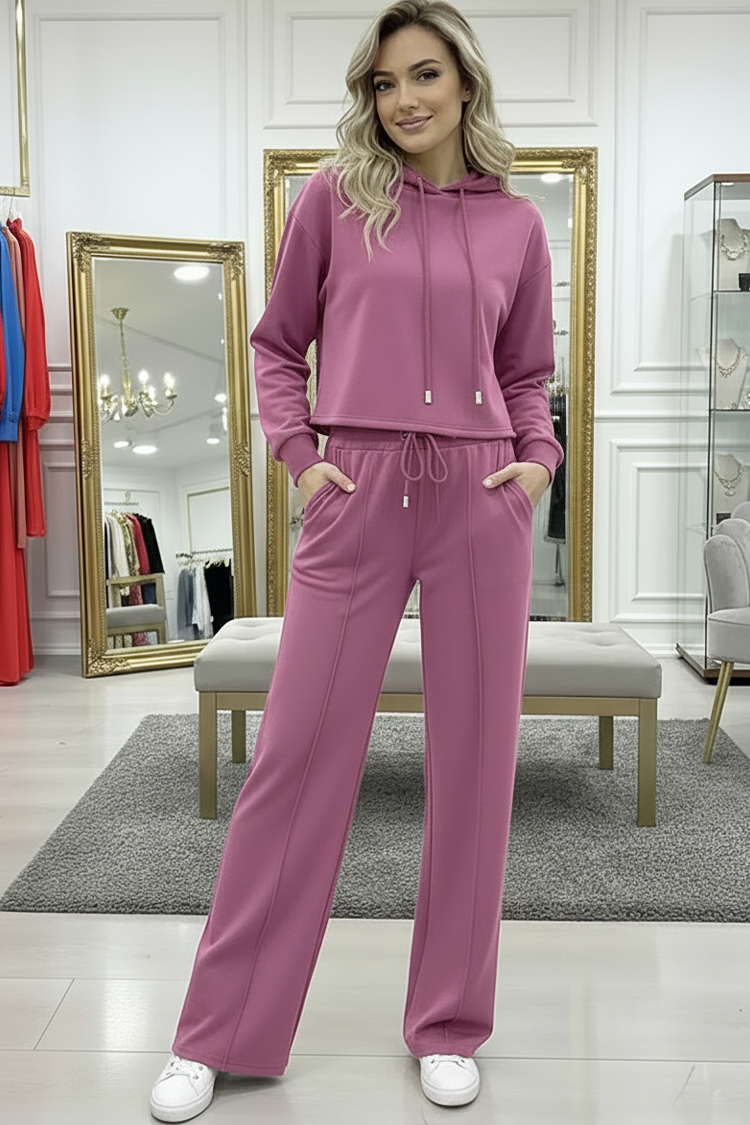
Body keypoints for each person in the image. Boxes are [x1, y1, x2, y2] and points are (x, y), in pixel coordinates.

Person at [149, 0, 564, 1118]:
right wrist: (302, 459)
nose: (405, 99)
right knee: (296, 759)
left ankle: (449, 1022)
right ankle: (218, 1030)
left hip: (480, 493)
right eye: (385, 83)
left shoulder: (517, 225)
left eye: (424, 75)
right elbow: (278, 345)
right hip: (357, 488)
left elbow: (527, 372)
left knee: (476, 765)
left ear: (464, 83)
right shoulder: (333, 200)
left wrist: (537, 462)